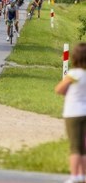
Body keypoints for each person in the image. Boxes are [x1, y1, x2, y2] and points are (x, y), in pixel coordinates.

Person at [55, 43, 86, 183]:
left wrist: (68, 92)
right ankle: (83, 175)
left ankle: (74, 176)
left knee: (75, 146)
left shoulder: (73, 75)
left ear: (75, 57)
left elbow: (59, 89)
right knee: (84, 146)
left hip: (73, 113)